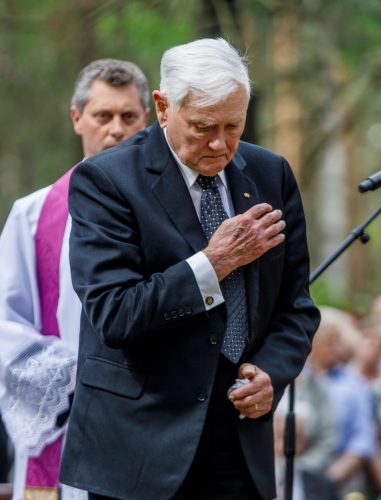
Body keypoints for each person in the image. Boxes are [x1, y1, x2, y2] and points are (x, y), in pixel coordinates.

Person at [59, 38, 320, 500]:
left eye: (233, 125)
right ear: (162, 107)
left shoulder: (270, 173)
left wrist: (271, 373)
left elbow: (296, 307)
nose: (220, 143)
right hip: (140, 447)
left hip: (239, 442)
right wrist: (213, 263)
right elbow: (114, 313)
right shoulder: (105, 180)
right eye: (203, 126)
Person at [0, 59, 150, 500]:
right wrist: (73, 380)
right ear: (77, 119)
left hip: (153, 425)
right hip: (69, 422)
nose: (116, 130)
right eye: (103, 116)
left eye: (129, 117)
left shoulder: (170, 214)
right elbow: (4, 324)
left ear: (149, 121)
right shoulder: (33, 216)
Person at [308, 306, 376, 499]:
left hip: (342, 472)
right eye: (332, 341)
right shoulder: (297, 380)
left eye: (339, 341)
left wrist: (332, 476)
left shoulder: (354, 383)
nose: (338, 348)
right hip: (299, 469)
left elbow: (362, 440)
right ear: (313, 340)